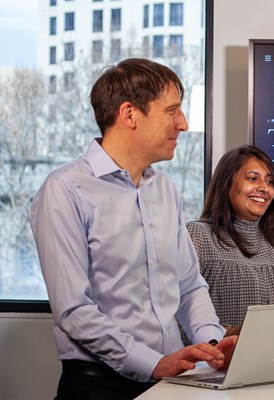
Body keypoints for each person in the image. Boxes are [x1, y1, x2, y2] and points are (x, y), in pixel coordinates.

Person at [29, 58, 236, 399]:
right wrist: (152, 363)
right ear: (129, 115)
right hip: (98, 384)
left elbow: (188, 287)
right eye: (171, 111)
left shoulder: (165, 189)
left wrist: (212, 346)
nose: (182, 124)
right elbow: (73, 310)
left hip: (170, 380)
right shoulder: (64, 190)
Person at [187, 145, 274, 332]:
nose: (264, 188)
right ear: (226, 183)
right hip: (223, 359)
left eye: (270, 182)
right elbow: (178, 315)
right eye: (253, 179)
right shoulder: (199, 236)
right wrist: (224, 337)